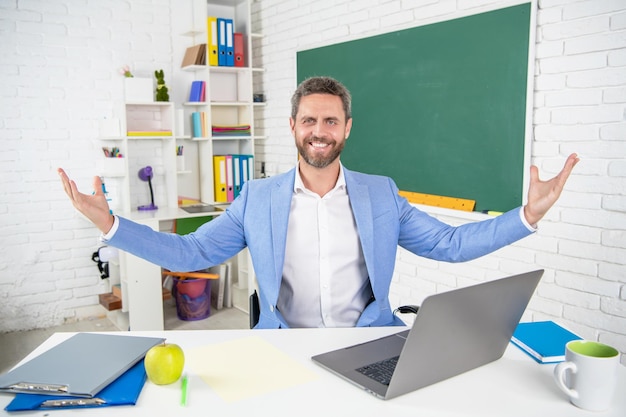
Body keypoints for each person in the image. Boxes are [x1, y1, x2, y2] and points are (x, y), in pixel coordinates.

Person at [59, 76, 579, 329]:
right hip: (284, 345)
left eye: (331, 121)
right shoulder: (257, 199)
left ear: (347, 129)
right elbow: (192, 254)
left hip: (368, 342)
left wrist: (526, 216)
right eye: (309, 120)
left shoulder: (381, 194)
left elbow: (449, 243)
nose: (320, 131)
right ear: (293, 127)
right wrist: (111, 225)